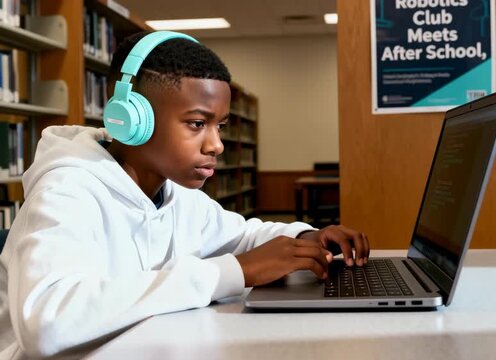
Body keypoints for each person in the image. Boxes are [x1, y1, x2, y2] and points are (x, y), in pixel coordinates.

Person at [0, 31, 369, 359]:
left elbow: (242, 237)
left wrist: (304, 238)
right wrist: (231, 272)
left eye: (220, 125)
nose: (217, 145)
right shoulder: (66, 192)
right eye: (197, 124)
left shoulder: (174, 192)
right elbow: (46, 326)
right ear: (129, 119)